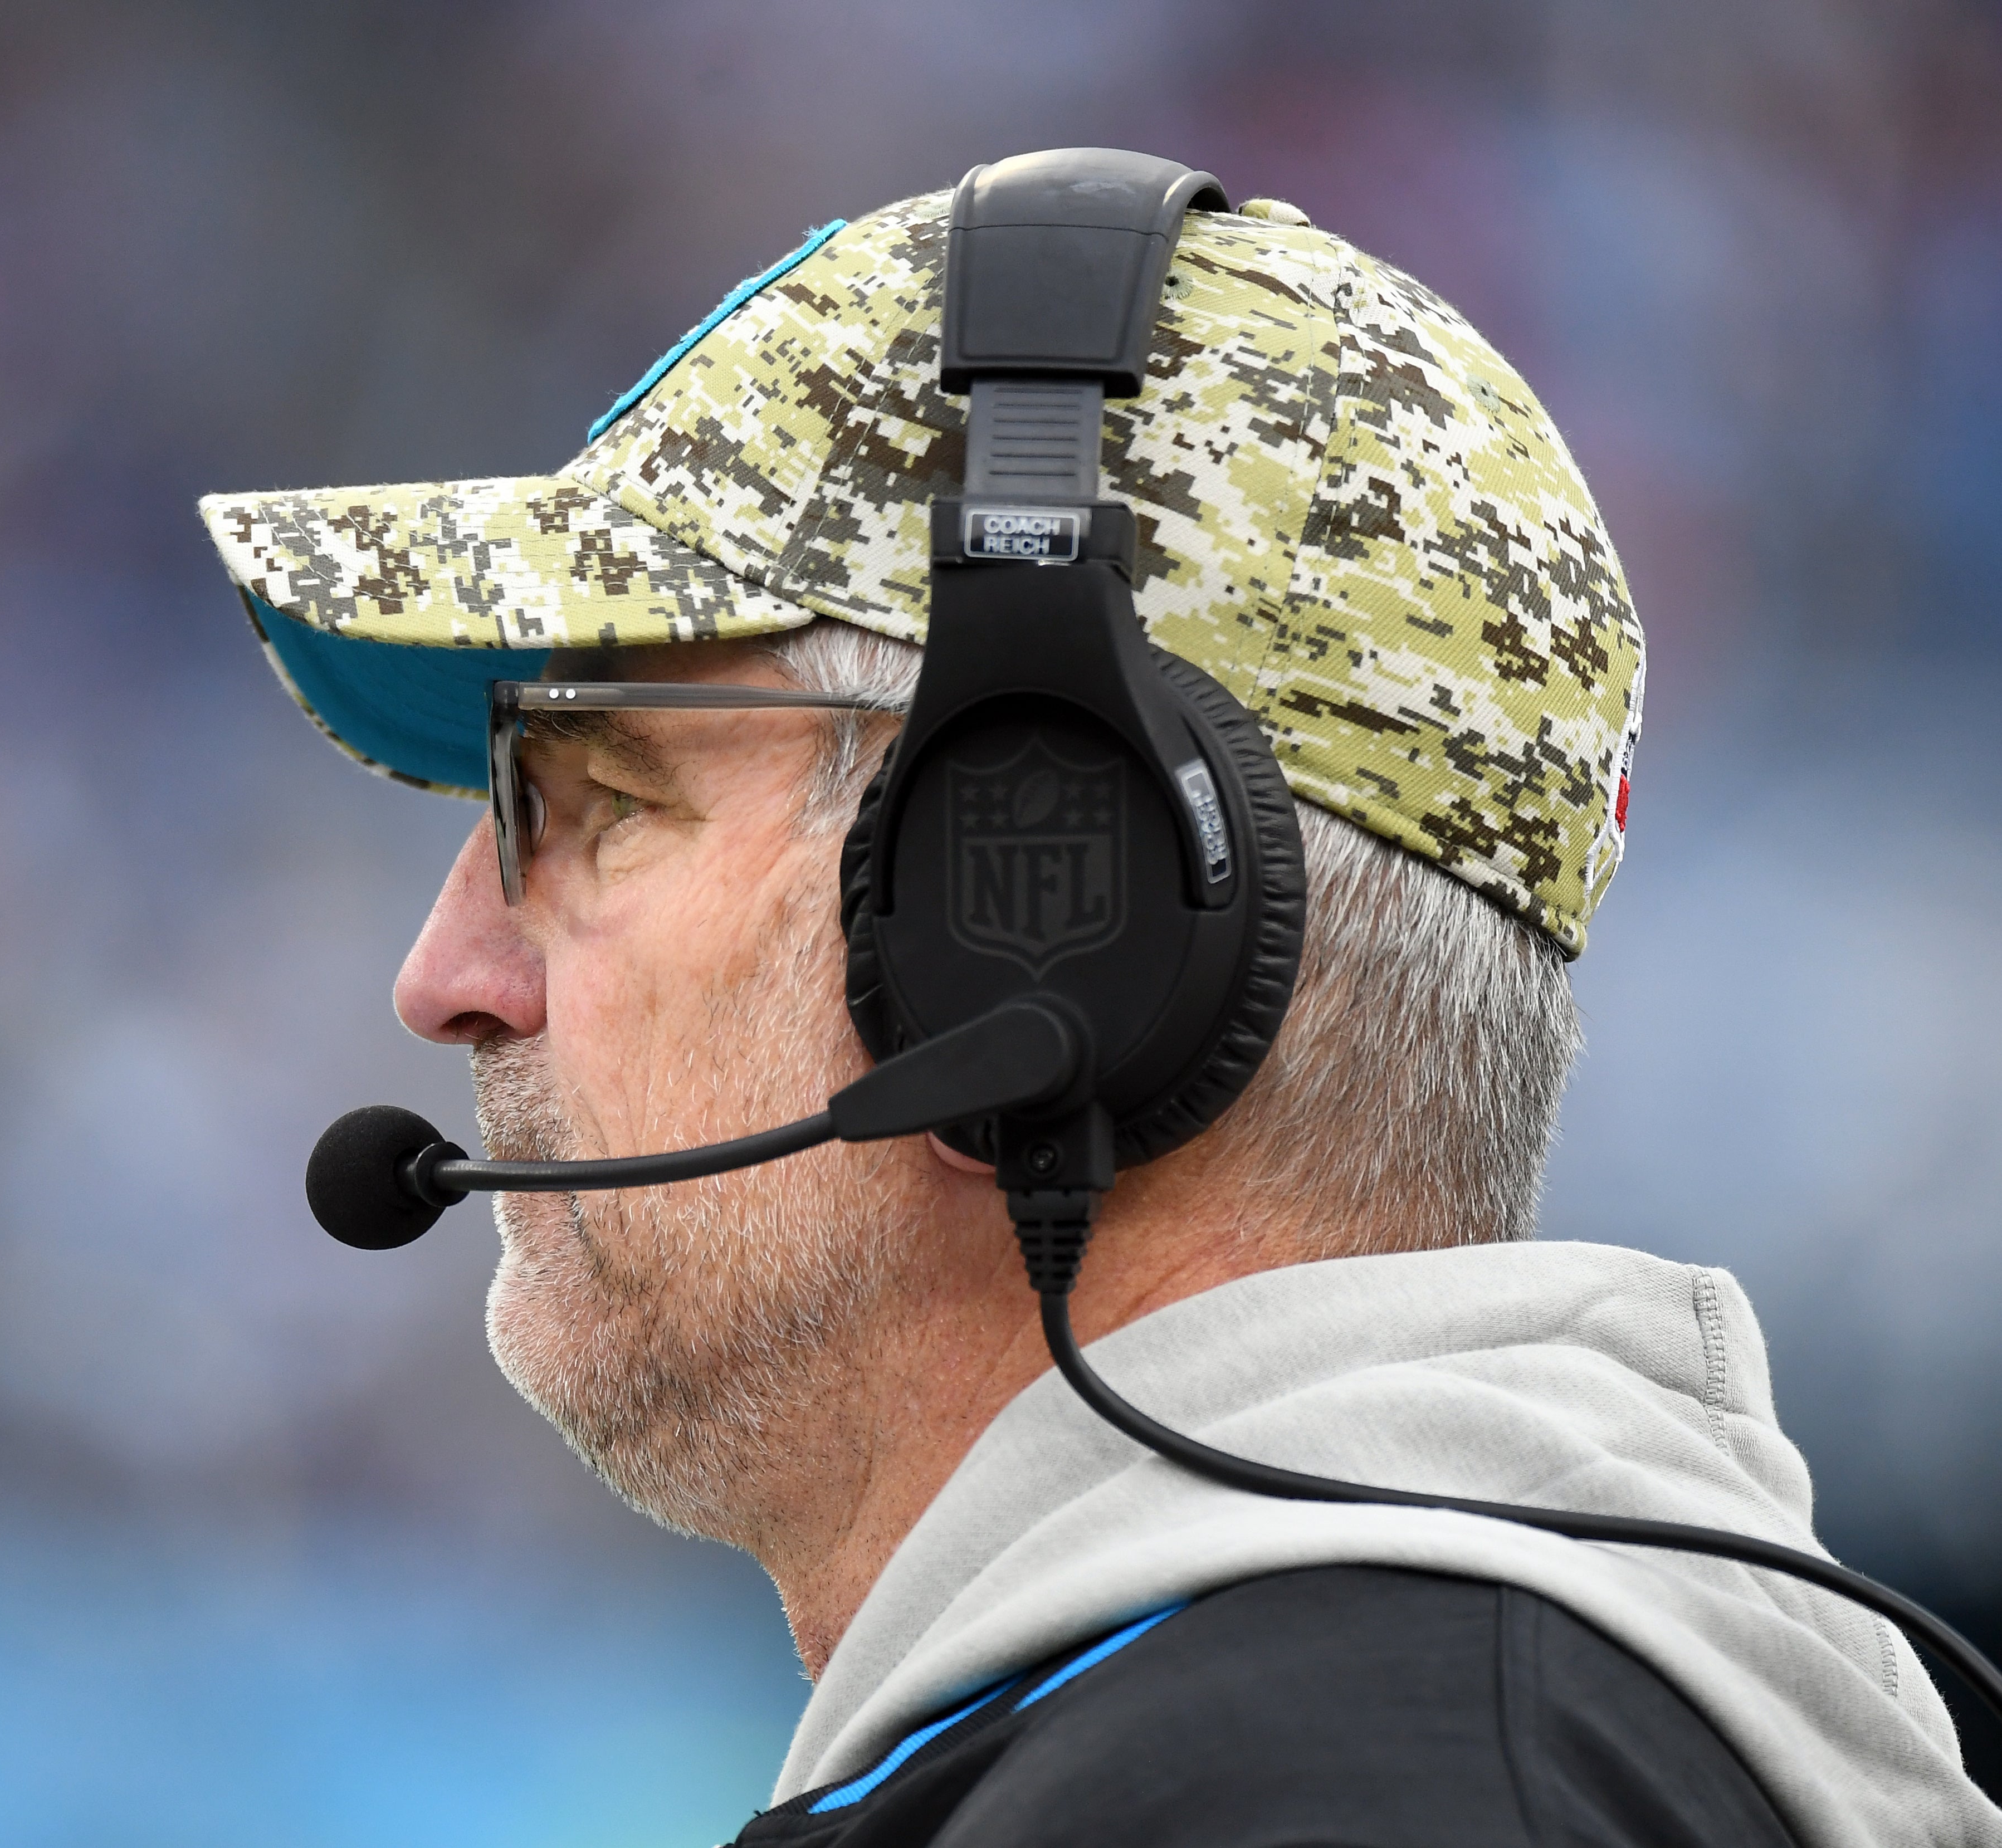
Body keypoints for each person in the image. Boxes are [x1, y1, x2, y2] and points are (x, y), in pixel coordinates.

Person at [198, 174, 2001, 1847]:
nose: (448, 982)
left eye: (599, 804)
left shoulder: (1333, 1790)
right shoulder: (1345, 1737)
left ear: (1031, 924)